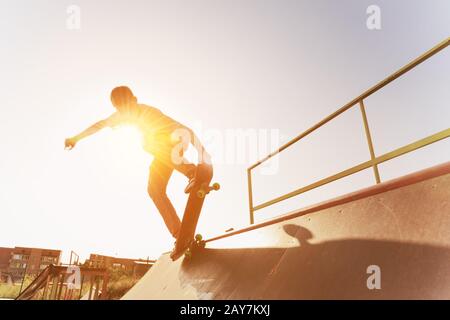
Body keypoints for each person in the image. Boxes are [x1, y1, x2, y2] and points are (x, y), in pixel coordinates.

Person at [65, 86, 210, 239]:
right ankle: (180, 234)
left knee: (146, 143)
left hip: (176, 141)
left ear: (131, 100)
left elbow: (186, 130)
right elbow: (99, 125)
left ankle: (191, 171)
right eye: (118, 107)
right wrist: (76, 138)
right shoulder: (123, 116)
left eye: (122, 105)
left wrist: (202, 151)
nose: (121, 110)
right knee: (154, 190)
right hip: (165, 154)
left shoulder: (149, 112)